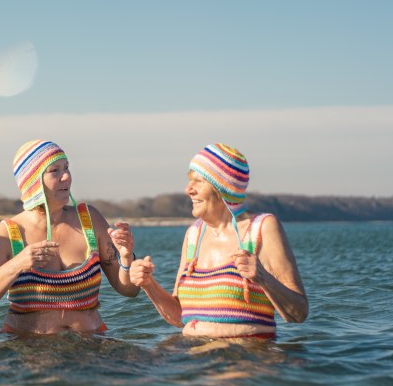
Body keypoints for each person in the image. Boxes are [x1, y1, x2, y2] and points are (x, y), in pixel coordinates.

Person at [128, 143, 308, 338]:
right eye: (190, 181)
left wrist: (262, 277)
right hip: (190, 351)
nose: (188, 190)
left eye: (198, 181)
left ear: (223, 189)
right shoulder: (193, 235)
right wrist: (149, 284)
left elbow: (298, 313)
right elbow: (180, 317)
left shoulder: (261, 227)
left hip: (245, 351)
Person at [0, 140, 139, 334]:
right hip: (29, 346)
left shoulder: (89, 219)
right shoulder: (8, 233)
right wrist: (17, 264)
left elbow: (129, 290)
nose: (66, 176)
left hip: (90, 343)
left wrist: (126, 258)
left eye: (67, 168)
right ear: (32, 182)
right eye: (55, 171)